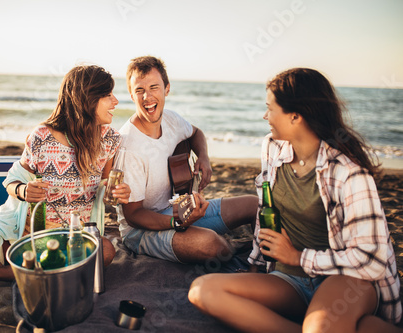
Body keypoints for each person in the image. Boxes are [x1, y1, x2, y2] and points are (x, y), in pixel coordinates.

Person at [188, 68, 402, 332]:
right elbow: (265, 214)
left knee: (320, 327)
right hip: (290, 280)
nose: (265, 116)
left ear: (296, 116)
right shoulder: (272, 148)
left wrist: (299, 257)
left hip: (344, 279)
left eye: (270, 109)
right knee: (202, 291)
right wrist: (256, 266)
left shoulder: (348, 171)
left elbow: (373, 258)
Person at [0, 65, 131, 283]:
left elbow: (106, 186)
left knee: (105, 251)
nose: (115, 101)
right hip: (18, 230)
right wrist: (24, 190)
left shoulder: (109, 140)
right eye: (107, 95)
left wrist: (116, 193)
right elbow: (12, 181)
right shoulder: (41, 137)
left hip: (69, 239)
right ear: (86, 98)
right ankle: (22, 268)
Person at [117, 55, 258, 265]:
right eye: (139, 90)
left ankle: (257, 256)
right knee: (212, 246)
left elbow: (196, 133)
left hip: (177, 210)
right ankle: (235, 247)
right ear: (131, 94)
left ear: (167, 89)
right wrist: (177, 222)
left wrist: (203, 157)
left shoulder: (171, 119)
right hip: (140, 231)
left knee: (255, 205)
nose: (147, 97)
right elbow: (134, 215)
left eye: (154, 87)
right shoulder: (129, 146)